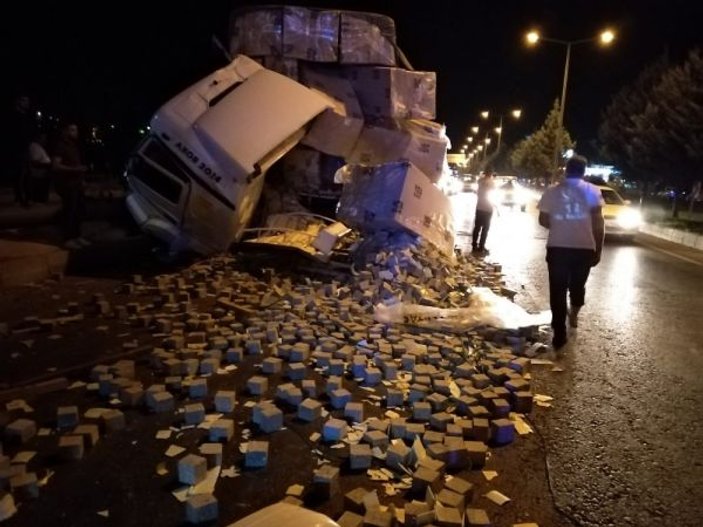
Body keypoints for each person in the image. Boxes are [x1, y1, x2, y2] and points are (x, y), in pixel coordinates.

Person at [538, 155, 605, 349]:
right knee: (577, 287)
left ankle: (559, 334)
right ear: (584, 172)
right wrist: (598, 249)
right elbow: (598, 224)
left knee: (557, 291)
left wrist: (561, 225)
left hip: (558, 247)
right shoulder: (593, 191)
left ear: (566, 170)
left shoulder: (552, 191)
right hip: (584, 249)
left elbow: (543, 220)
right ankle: (574, 314)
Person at [51, 122, 90, 249]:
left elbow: (76, 164)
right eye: (72, 130)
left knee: (79, 212)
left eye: (76, 130)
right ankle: (67, 239)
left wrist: (82, 178)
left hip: (77, 184)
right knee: (69, 212)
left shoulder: (73, 146)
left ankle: (77, 236)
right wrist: (75, 170)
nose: (76, 133)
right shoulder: (61, 146)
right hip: (68, 185)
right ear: (66, 131)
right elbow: (56, 166)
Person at [8, 94, 36, 206]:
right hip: (18, 148)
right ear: (18, 101)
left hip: (24, 147)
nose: (27, 103)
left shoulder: (25, 116)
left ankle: (24, 196)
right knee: (21, 173)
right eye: (24, 100)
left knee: (25, 173)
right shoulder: (15, 116)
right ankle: (21, 197)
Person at [472, 171, 495, 253]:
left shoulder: (480, 181)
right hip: (488, 209)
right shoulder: (492, 183)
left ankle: (474, 245)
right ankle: (481, 246)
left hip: (479, 207)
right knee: (485, 229)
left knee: (477, 227)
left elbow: (477, 192)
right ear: (491, 174)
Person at [27, 130, 52, 204]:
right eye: (43, 138)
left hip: (42, 174)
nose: (45, 140)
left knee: (42, 193)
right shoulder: (35, 147)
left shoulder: (39, 147)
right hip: (39, 175)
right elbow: (34, 162)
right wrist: (48, 165)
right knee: (39, 195)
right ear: (38, 138)